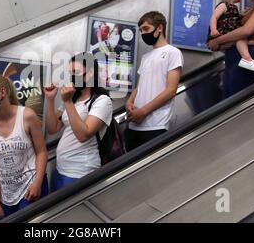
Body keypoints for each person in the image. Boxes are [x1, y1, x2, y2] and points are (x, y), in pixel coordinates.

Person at [0, 73, 48, 218]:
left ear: (2, 92)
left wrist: (38, 183)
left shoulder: (27, 116)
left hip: (31, 184)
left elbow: (41, 152)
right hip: (7, 194)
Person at [44, 52, 113, 191]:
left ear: (91, 73)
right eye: (71, 73)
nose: (73, 77)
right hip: (61, 168)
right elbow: (53, 128)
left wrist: (67, 101)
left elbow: (83, 134)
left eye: (76, 72)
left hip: (81, 170)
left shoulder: (102, 101)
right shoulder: (73, 98)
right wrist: (50, 100)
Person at [125, 11, 184, 151]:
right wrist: (129, 102)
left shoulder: (173, 52)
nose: (143, 34)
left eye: (146, 29)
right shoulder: (146, 57)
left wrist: (143, 111)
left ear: (159, 28)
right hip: (134, 124)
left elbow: (171, 90)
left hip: (156, 125)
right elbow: (140, 87)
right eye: (141, 31)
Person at [209, 0, 254, 73]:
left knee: (242, 40)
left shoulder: (234, 7)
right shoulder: (223, 5)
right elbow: (214, 17)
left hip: (230, 33)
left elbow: (235, 19)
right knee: (241, 39)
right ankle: (247, 59)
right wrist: (213, 29)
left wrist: (244, 14)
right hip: (224, 32)